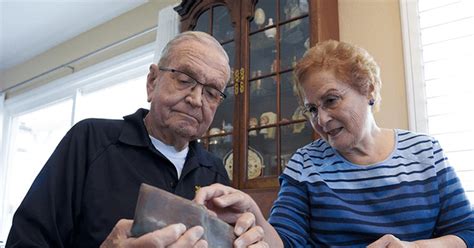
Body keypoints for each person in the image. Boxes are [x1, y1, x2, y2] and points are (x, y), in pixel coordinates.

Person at [194, 40, 474, 247]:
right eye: (312, 109)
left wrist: (415, 247)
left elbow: (467, 232)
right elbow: (285, 243)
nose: (322, 119)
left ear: (369, 90)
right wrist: (255, 214)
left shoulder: (426, 152)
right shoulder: (305, 164)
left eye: (331, 100)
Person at [6, 31, 263, 247]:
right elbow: (24, 241)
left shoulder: (214, 171)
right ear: (152, 81)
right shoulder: (89, 141)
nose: (196, 100)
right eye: (185, 80)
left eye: (211, 93)